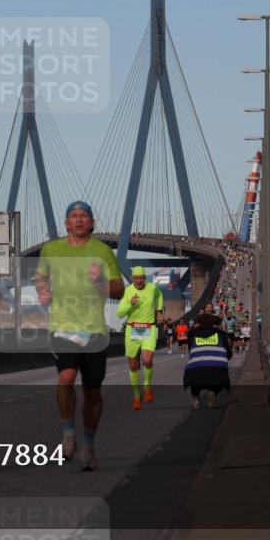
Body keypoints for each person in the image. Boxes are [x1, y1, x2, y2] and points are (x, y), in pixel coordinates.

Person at [36, 201, 124, 472]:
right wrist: (43, 291)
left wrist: (101, 283)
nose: (78, 220)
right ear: (66, 223)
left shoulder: (102, 251)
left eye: (84, 216)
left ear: (92, 222)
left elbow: (119, 290)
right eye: (73, 216)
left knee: (93, 392)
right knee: (66, 377)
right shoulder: (51, 250)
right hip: (62, 327)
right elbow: (40, 277)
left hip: (94, 329)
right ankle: (68, 434)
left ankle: (88, 444)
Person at [116, 266, 164, 410]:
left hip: (148, 328)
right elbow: (119, 314)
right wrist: (130, 304)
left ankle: (147, 386)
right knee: (133, 366)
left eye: (141, 278)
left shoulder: (152, 288)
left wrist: (159, 311)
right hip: (132, 329)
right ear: (132, 278)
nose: (139, 281)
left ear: (144, 278)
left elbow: (160, 295)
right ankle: (137, 396)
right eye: (136, 278)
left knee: (147, 359)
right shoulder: (128, 291)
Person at [183, 313, 233, 409]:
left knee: (194, 374)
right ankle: (213, 392)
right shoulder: (220, 333)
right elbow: (229, 354)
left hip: (195, 371)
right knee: (221, 377)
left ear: (199, 322)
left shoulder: (192, 333)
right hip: (217, 370)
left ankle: (196, 399)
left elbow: (191, 351)